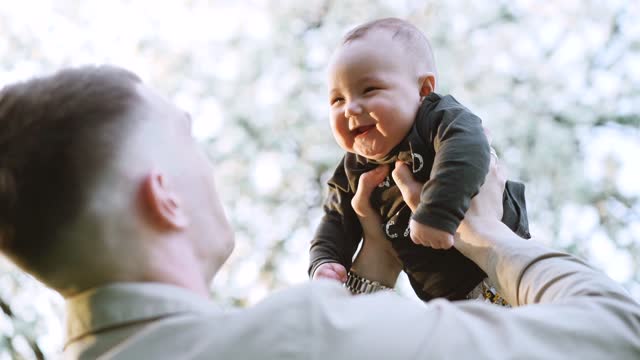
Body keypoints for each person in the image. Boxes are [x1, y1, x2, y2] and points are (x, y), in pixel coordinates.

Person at [0, 66, 638, 359]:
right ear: (163, 195)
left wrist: (374, 264)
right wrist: (491, 236)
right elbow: (616, 333)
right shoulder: (301, 337)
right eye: (187, 137)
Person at [309, 18, 530, 301]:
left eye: (369, 90)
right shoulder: (353, 168)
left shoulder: (437, 120)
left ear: (424, 89)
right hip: (448, 299)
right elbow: (336, 218)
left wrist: (438, 211)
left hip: (502, 265)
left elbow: (467, 149)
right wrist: (326, 260)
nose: (351, 108)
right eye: (337, 100)